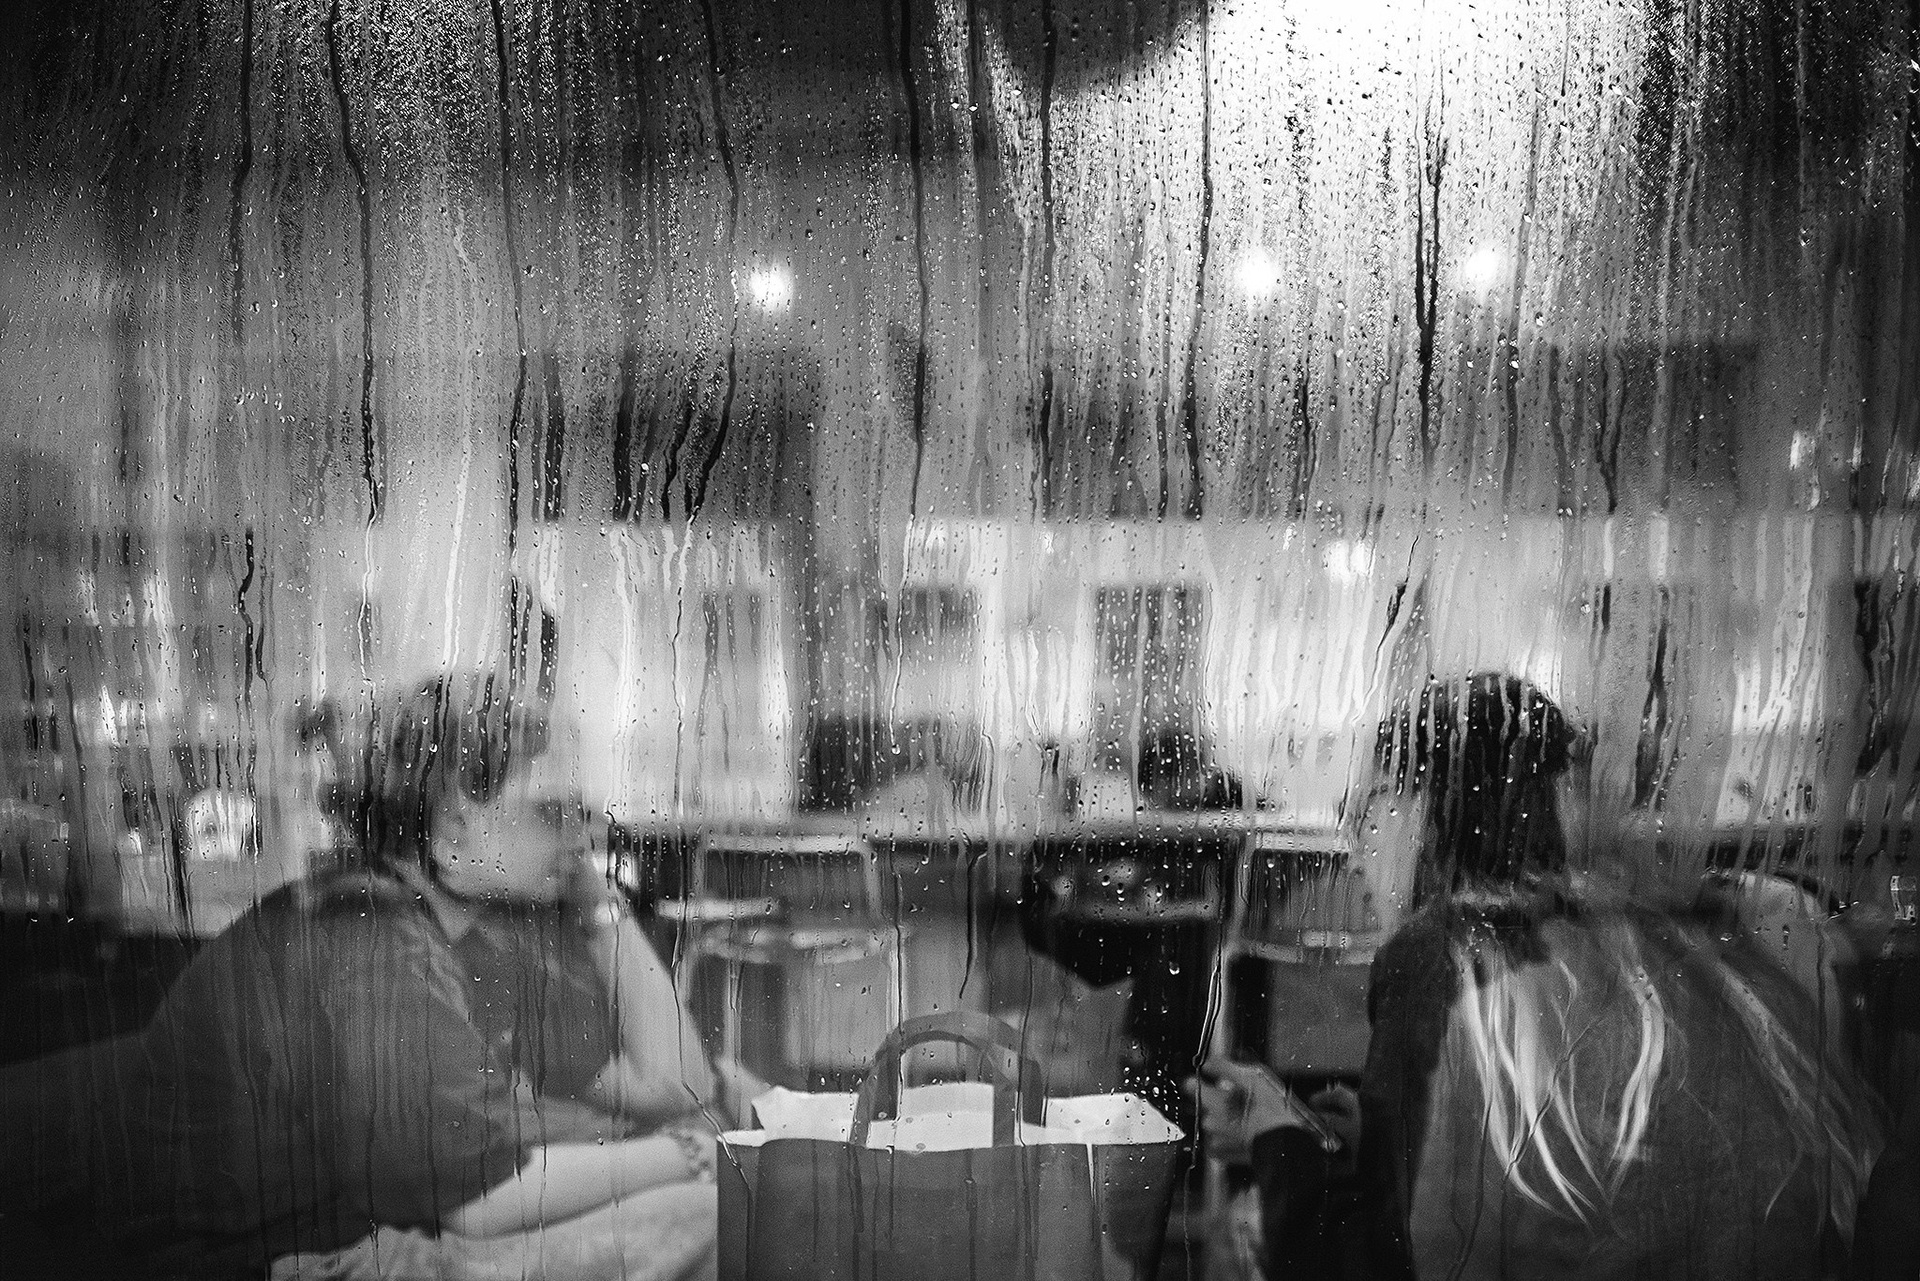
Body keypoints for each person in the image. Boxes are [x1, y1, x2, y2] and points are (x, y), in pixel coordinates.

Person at [1196, 672, 1884, 1280]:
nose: (1353, 840)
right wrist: (1373, 1139)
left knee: (1249, 1228)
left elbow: (1382, 1261)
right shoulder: (1618, 929)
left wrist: (1274, 1136)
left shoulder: (1445, 953)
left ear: (1438, 809)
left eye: (1372, 800)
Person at [105, 672, 723, 1281]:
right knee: (711, 1213)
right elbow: (479, 1203)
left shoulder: (471, 929)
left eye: (582, 813)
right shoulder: (366, 934)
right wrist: (693, 1154)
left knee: (699, 1186)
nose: (582, 837)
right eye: (552, 812)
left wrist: (598, 901)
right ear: (453, 825)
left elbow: (672, 1088)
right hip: (278, 1262)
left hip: (374, 1231)